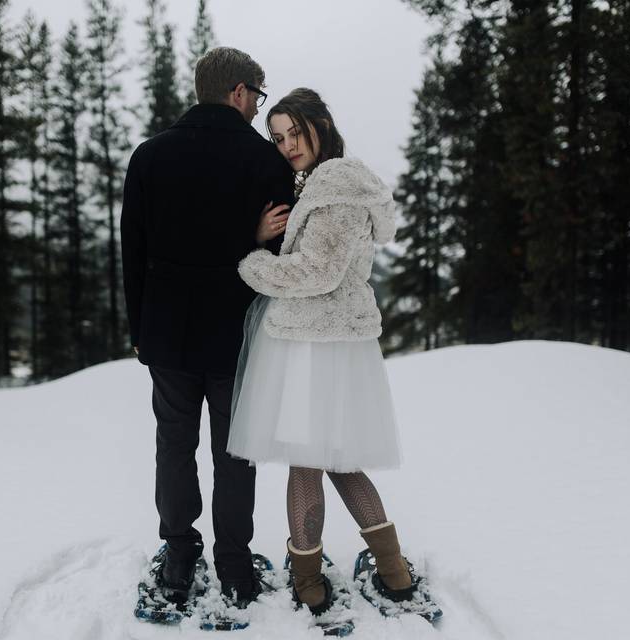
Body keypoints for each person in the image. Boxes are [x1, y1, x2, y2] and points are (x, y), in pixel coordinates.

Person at [228, 88, 419, 616]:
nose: (288, 145)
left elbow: (319, 271)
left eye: (295, 132)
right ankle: (392, 570)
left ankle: (311, 580)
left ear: (321, 124)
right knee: (332, 459)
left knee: (311, 462)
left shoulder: (335, 184)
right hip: (328, 340)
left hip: (317, 344)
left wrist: (252, 264)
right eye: (278, 137)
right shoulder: (323, 182)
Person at [120, 47, 295, 607]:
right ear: (239, 91)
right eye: (256, 97)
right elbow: (285, 251)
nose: (255, 108)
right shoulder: (265, 161)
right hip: (237, 332)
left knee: (173, 442)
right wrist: (253, 237)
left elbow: (133, 249)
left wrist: (139, 327)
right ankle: (235, 567)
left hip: (166, 328)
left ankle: (177, 556)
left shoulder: (150, 156)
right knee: (233, 451)